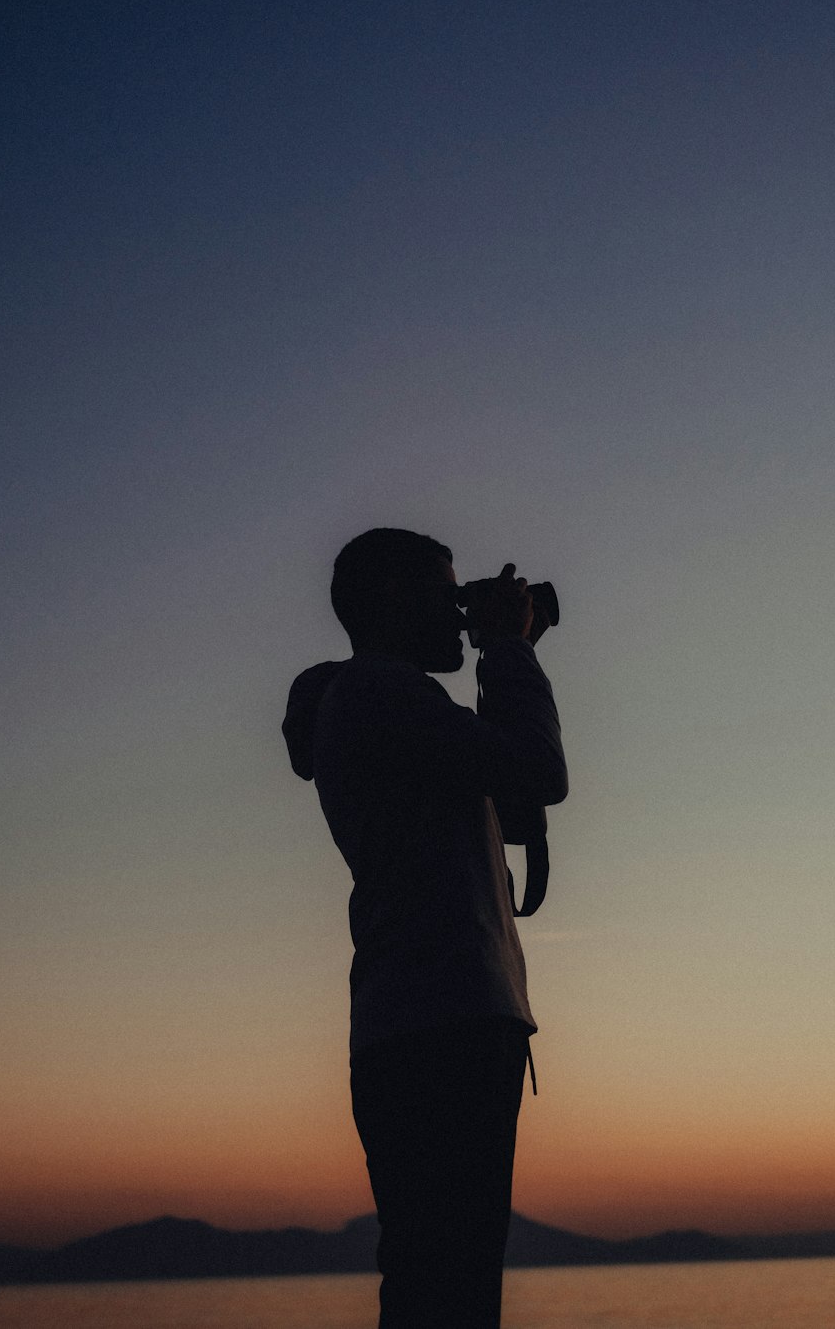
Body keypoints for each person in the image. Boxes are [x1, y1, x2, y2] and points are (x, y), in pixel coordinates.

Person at [283, 528, 567, 1329]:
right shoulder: (379, 692)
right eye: (446, 594)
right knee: (446, 1292)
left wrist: (502, 663)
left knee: (439, 1287)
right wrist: (510, 653)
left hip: (428, 1019)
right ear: (392, 602)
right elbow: (540, 771)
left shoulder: (392, 705)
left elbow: (514, 807)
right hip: (443, 1022)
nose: (459, 610)